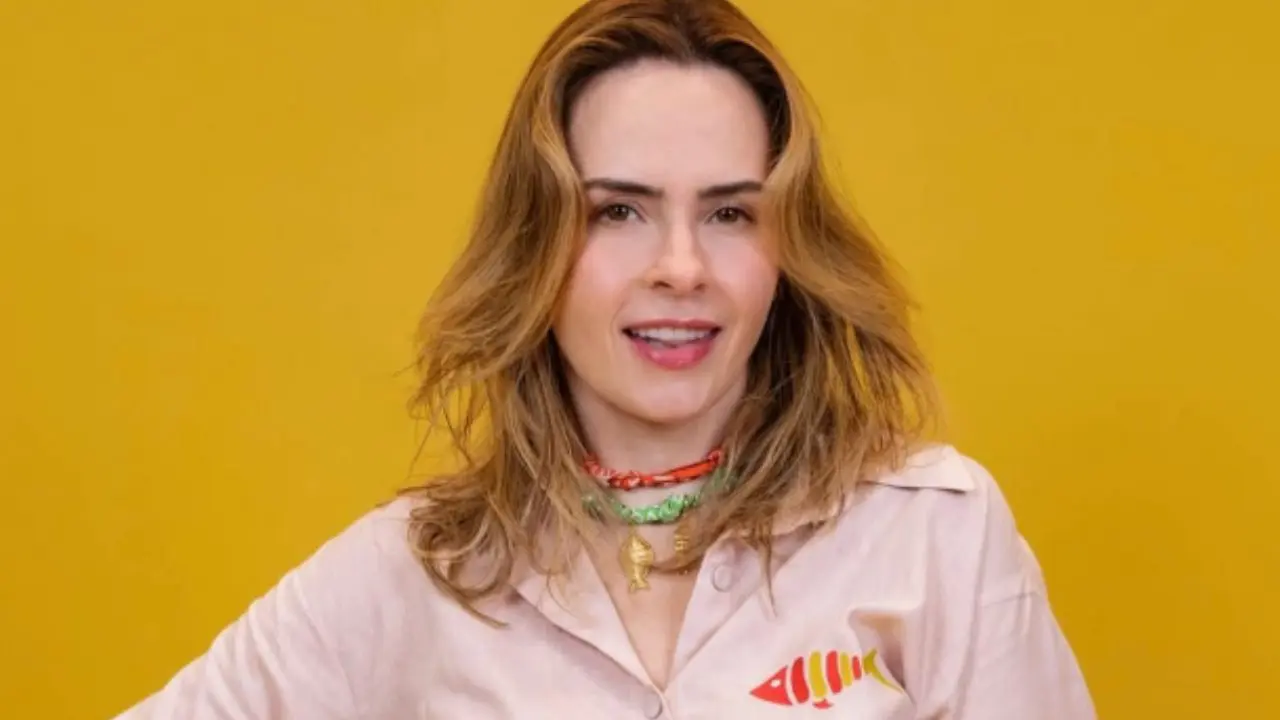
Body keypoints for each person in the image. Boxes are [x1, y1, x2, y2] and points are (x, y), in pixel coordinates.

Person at [115, 0, 1096, 717]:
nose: (681, 267)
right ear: (536, 244)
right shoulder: (409, 576)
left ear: (786, 249)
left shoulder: (934, 535)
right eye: (618, 211)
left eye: (729, 213)